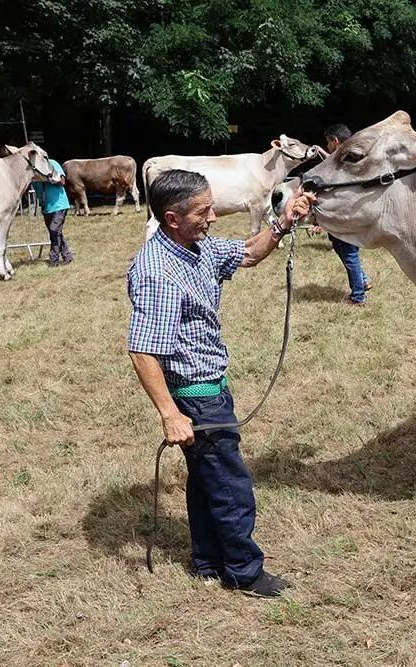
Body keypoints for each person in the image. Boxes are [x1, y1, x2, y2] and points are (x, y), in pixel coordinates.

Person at [127, 169, 311, 597]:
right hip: (196, 394)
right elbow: (142, 351)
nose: (213, 216)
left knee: (206, 479)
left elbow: (247, 253)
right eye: (203, 210)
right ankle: (245, 572)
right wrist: (171, 415)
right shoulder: (157, 271)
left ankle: (207, 562)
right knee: (230, 484)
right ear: (173, 218)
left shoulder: (197, 245)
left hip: (208, 385)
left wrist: (282, 223)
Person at [322, 123, 372, 305]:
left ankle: (358, 296)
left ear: (335, 141)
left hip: (345, 213)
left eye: (328, 142)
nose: (328, 146)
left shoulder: (347, 160)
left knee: (350, 253)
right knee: (337, 245)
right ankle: (363, 279)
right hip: (342, 212)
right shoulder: (353, 156)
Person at [32, 155, 72, 266]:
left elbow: (62, 181)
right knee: (55, 232)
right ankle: (67, 256)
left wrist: (47, 177)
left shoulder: (52, 164)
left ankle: (53, 259)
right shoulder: (33, 171)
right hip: (46, 208)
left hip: (59, 205)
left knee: (54, 230)